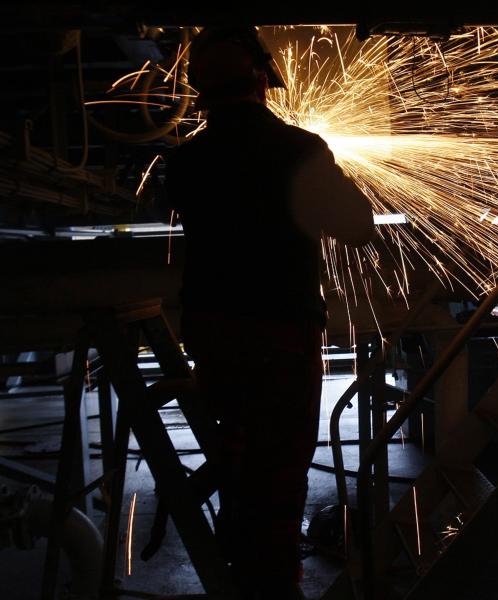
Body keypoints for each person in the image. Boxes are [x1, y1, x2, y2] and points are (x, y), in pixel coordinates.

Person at [163, 26, 374, 600]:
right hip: (282, 329)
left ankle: (240, 560)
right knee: (279, 467)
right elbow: (357, 226)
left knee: (235, 453)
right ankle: (275, 585)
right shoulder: (298, 149)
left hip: (212, 330)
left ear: (200, 90)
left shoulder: (183, 163)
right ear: (263, 77)